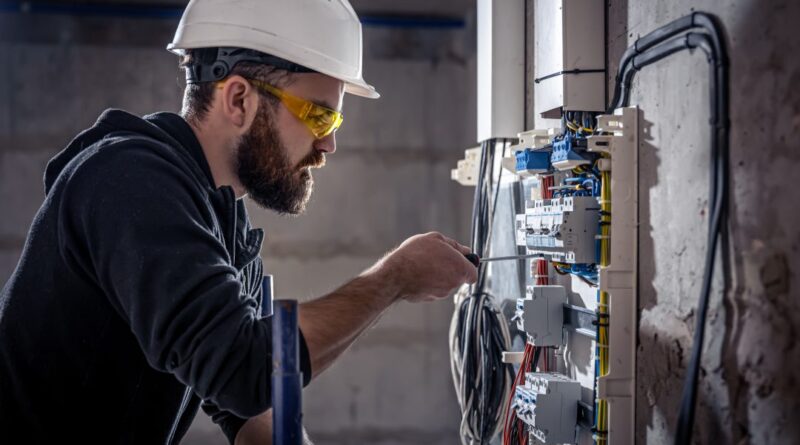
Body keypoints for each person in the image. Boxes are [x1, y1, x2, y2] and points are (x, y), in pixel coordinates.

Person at [0, 0, 477, 443]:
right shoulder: (129, 182)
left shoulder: (218, 219)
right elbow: (241, 368)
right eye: (318, 116)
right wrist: (392, 279)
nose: (328, 144)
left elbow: (248, 404)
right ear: (239, 100)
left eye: (334, 124)